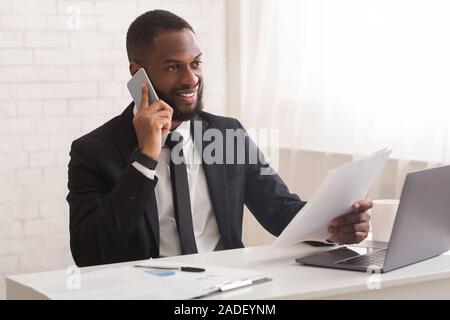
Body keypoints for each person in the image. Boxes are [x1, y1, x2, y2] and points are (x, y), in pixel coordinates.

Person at [67, 10, 372, 267]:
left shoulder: (226, 135)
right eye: (174, 67)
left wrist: (335, 227)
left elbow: (280, 212)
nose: (191, 79)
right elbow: (89, 254)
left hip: (225, 290)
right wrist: (145, 158)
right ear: (138, 73)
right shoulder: (93, 151)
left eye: (196, 63)